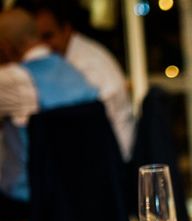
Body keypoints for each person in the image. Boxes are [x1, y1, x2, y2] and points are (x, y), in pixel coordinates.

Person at [0, 7, 98, 209]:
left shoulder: (13, 79)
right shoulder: (75, 73)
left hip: (26, 200)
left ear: (6, 47)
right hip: (80, 199)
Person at [17, 0, 134, 161]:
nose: (41, 47)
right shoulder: (58, 64)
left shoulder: (87, 67)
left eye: (48, 36)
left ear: (67, 30)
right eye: (36, 39)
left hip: (107, 165)